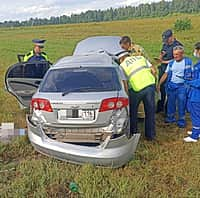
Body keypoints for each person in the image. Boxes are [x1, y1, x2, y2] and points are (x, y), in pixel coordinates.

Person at [118, 51, 156, 141]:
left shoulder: (122, 66)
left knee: (133, 112)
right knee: (150, 112)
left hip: (136, 89)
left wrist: (126, 95)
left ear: (121, 59)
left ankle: (134, 134)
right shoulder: (141, 58)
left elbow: (124, 82)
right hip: (150, 85)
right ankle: (150, 136)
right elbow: (153, 70)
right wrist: (154, 83)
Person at [157, 46, 192, 128]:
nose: (175, 56)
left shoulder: (188, 62)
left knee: (181, 103)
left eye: (177, 54)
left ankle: (181, 120)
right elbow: (166, 74)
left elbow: (192, 75)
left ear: (182, 54)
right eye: (174, 54)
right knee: (170, 103)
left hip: (182, 87)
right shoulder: (171, 63)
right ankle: (170, 118)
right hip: (172, 86)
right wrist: (159, 84)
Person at [119, 36, 148, 118]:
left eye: (123, 47)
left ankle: (141, 115)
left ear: (128, 44)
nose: (123, 49)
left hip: (141, 74)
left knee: (140, 95)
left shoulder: (136, 50)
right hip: (139, 73)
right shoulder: (130, 49)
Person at [157, 29, 183, 113]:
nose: (166, 41)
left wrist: (164, 61)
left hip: (172, 69)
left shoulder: (178, 46)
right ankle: (160, 106)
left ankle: (168, 109)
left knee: (169, 89)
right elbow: (162, 53)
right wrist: (160, 57)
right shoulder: (165, 44)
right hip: (163, 68)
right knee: (161, 88)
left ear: (171, 37)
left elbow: (177, 59)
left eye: (167, 39)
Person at [184, 42, 200, 142]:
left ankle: (194, 136)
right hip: (194, 93)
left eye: (196, 50)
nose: (195, 52)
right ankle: (197, 131)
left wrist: (189, 81)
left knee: (195, 115)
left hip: (197, 95)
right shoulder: (198, 63)